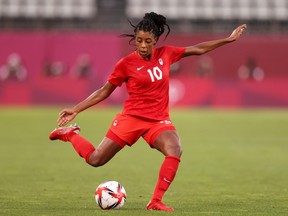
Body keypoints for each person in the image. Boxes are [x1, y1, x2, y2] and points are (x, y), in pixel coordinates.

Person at [49, 12, 246, 211]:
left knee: (174, 149)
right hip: (131, 119)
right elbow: (103, 92)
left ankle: (155, 201)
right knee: (95, 160)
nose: (143, 45)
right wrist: (76, 109)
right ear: (135, 39)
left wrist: (228, 39)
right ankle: (70, 135)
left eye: (148, 41)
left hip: (158, 121)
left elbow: (198, 49)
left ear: (155, 40)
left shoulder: (167, 54)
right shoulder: (125, 64)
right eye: (139, 40)